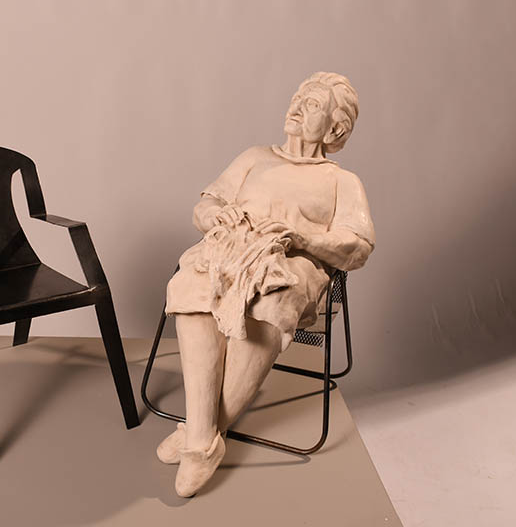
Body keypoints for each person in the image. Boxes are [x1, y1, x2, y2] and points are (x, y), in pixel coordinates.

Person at [159, 72, 376, 497]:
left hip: (294, 263)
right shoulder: (255, 157)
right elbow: (206, 204)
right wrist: (214, 216)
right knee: (195, 284)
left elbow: (358, 246)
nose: (296, 106)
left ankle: (197, 436)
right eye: (297, 97)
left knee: (270, 299)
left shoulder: (341, 182)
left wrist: (304, 238)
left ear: (335, 129)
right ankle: (204, 439)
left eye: (312, 104)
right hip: (230, 249)